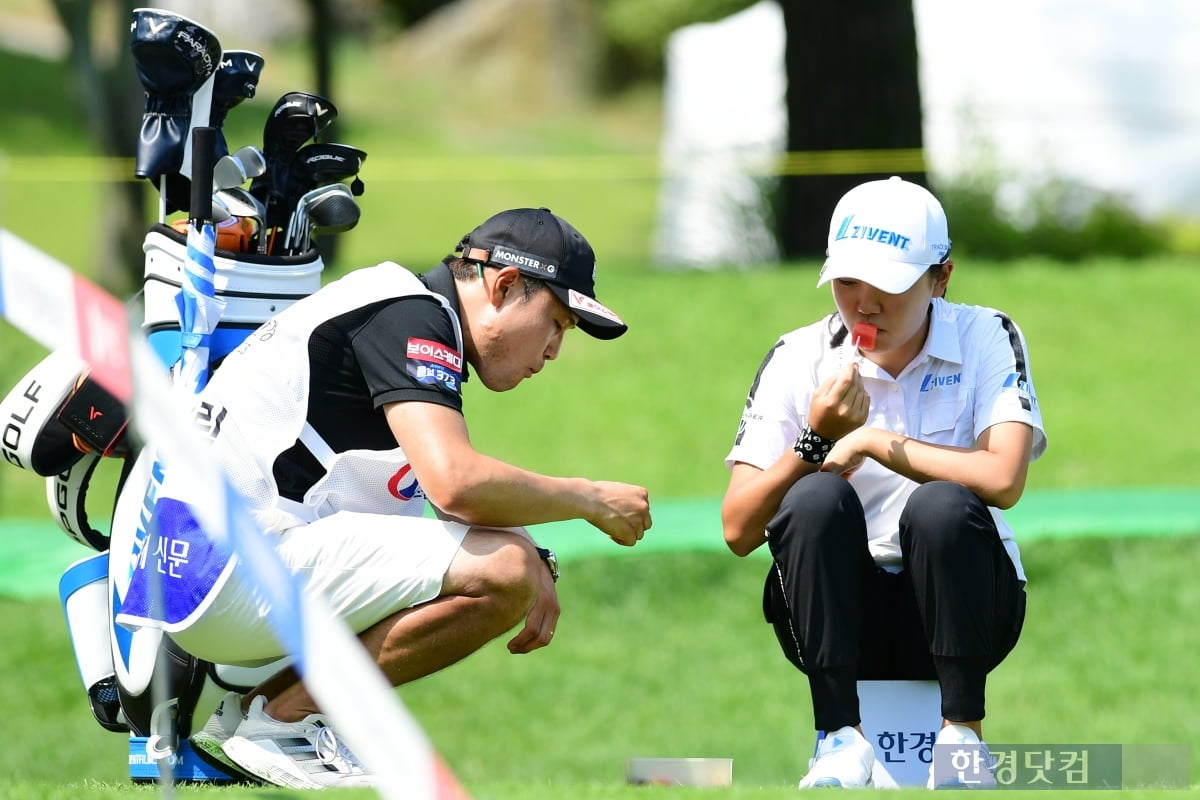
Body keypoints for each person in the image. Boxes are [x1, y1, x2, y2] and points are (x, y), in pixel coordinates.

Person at [117, 207, 653, 788]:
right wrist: (590, 499)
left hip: (194, 579)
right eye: (556, 323)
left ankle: (254, 720)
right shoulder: (412, 315)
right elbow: (458, 483)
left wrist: (535, 556)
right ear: (502, 285)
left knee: (509, 562)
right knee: (504, 570)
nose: (552, 350)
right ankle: (284, 721)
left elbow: (438, 508)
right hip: (223, 576)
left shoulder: (400, 307)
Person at [720, 177, 1045, 789]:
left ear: (940, 278)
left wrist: (875, 443)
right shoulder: (798, 355)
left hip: (968, 610)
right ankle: (838, 736)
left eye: (889, 285)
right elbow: (738, 529)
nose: (864, 304)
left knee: (941, 506)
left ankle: (963, 736)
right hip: (835, 617)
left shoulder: (986, 335)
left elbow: (1003, 477)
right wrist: (814, 440)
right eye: (846, 283)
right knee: (814, 497)